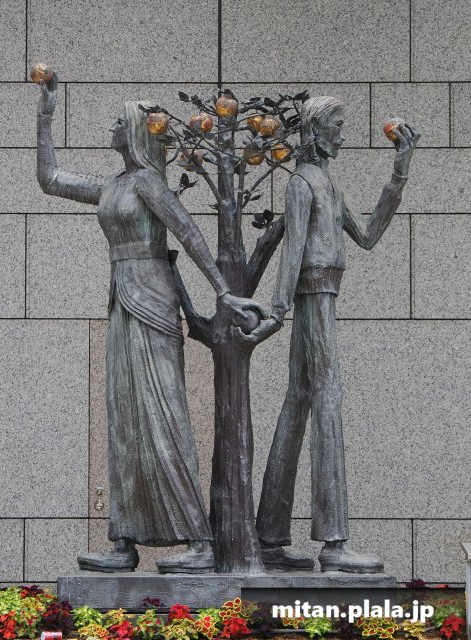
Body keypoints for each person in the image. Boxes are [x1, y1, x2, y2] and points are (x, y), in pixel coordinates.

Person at [36, 73, 265, 573]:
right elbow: (50, 179)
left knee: (164, 417)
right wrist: (47, 113)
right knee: (125, 420)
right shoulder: (114, 184)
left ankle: (199, 540)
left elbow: (189, 233)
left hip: (154, 300)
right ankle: (124, 541)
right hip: (122, 299)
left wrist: (224, 292)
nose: (112, 127)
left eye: (120, 122)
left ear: (137, 132)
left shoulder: (148, 183)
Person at [236, 96, 419, 572]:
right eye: (337, 124)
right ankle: (334, 542)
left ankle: (269, 538)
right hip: (313, 299)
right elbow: (293, 249)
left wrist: (399, 170)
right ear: (315, 131)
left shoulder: (326, 183)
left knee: (298, 402)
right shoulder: (302, 183)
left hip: (323, 296)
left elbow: (368, 235)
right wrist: (277, 312)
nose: (342, 133)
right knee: (327, 401)